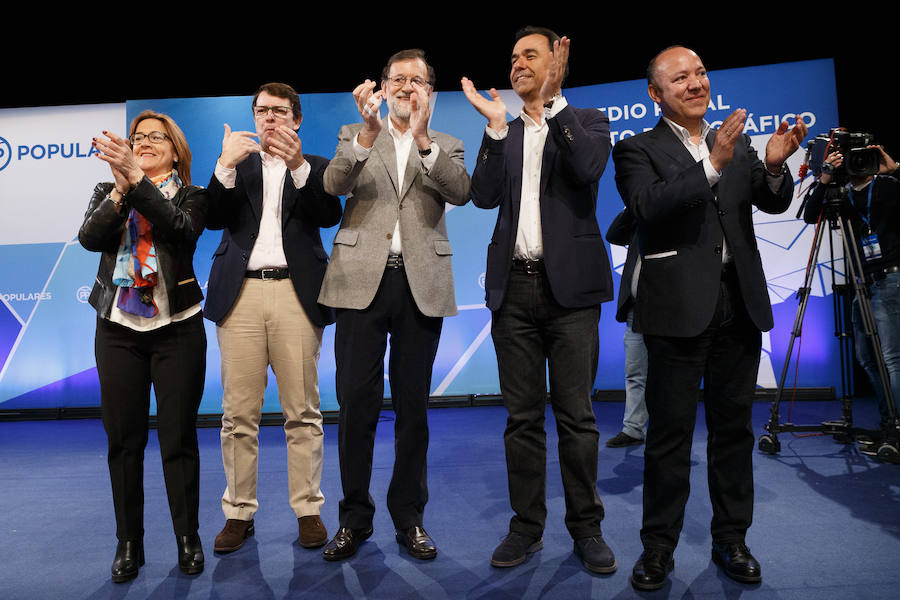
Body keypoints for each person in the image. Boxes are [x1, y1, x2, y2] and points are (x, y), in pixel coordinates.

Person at [612, 46, 807, 590]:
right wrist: (714, 162)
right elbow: (648, 207)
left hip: (738, 306)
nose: (696, 84)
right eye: (680, 79)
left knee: (732, 434)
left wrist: (771, 164)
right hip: (675, 310)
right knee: (669, 438)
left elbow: (771, 202)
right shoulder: (635, 149)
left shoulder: (738, 144)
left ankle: (732, 540)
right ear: (656, 94)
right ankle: (658, 549)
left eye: (700, 74)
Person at [463, 27, 616, 574]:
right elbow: (481, 197)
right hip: (513, 289)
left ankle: (587, 529)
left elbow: (588, 169)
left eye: (530, 55)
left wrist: (552, 107)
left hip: (570, 292)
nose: (517, 64)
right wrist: (495, 128)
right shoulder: (504, 131)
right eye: (513, 58)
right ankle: (526, 527)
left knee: (577, 417)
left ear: (557, 61)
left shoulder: (588, 121)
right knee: (521, 419)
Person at [318, 49, 470, 561]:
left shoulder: (448, 144)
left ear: (430, 89)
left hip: (420, 286)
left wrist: (424, 138)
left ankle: (410, 518)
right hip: (360, 283)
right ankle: (354, 520)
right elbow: (334, 184)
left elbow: (462, 192)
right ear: (382, 86)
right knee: (355, 407)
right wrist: (365, 135)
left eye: (417, 80)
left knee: (413, 409)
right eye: (397, 79)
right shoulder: (354, 134)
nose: (407, 86)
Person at [204, 82, 342, 553]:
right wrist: (222, 166)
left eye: (279, 111)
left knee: (302, 413)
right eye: (261, 111)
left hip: (295, 295)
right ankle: (239, 513)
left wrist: (299, 165)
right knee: (237, 414)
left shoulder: (317, 166)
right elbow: (211, 216)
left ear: (296, 119)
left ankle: (308, 510)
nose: (269, 119)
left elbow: (328, 214)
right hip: (240, 297)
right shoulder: (236, 167)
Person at [81, 111, 208, 582]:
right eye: (138, 138)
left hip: (177, 328)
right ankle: (128, 542)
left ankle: (186, 537)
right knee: (123, 440)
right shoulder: (106, 191)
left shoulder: (194, 196)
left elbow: (180, 229)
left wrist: (137, 182)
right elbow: (89, 239)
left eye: (156, 137)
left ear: (175, 150)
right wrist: (120, 189)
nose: (146, 142)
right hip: (117, 330)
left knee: (178, 438)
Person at [803, 145, 900, 438]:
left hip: (890, 279)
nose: (857, 165)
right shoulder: (843, 195)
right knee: (867, 358)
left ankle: (897, 427)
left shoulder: (888, 188)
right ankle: (890, 421)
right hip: (863, 282)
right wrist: (824, 176)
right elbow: (810, 215)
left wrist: (893, 170)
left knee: (892, 358)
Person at [604, 208, 648, 448]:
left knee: (669, 376)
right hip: (636, 308)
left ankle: (667, 430)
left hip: (669, 309)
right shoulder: (640, 211)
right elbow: (614, 234)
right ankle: (633, 429)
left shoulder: (678, 205)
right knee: (634, 373)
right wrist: (635, 205)